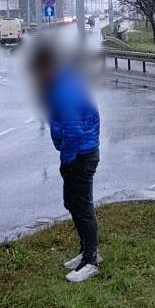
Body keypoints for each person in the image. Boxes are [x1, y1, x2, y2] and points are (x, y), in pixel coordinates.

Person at [30, 45, 102, 282]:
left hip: (80, 155)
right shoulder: (59, 84)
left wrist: (67, 159)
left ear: (48, 67)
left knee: (81, 206)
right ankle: (86, 251)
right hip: (78, 153)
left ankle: (91, 260)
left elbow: (73, 129)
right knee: (73, 202)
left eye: (39, 72)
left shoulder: (64, 88)